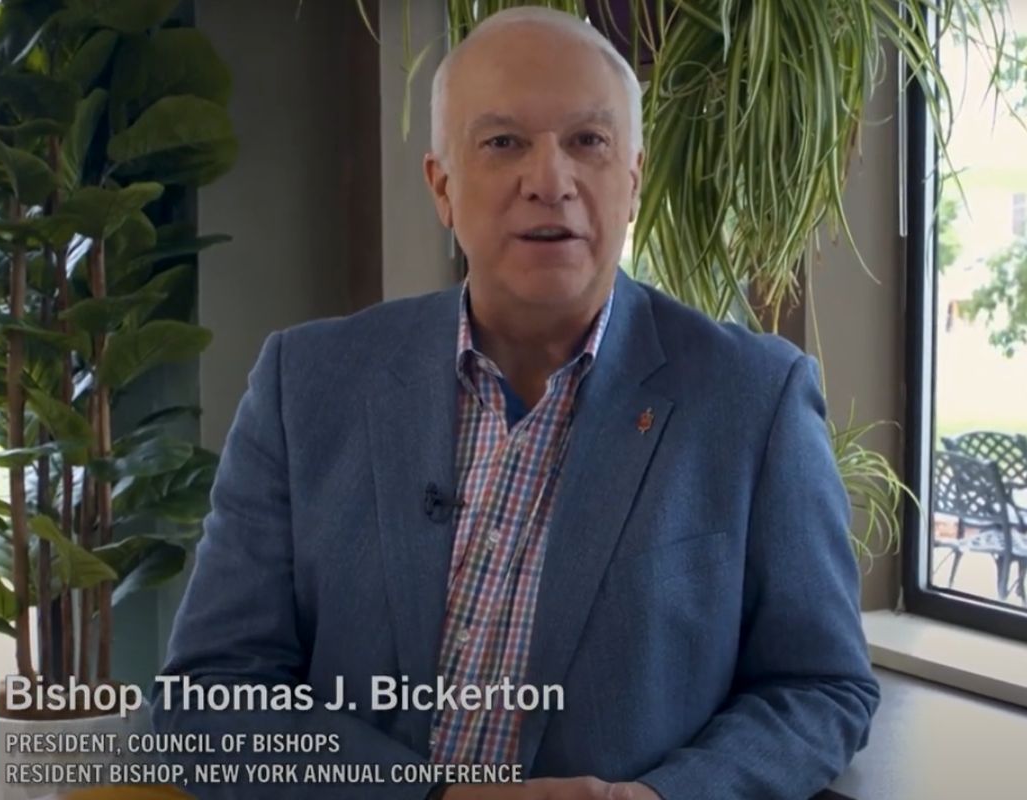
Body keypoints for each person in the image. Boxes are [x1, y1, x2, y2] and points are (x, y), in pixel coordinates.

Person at [153, 7, 879, 800]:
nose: (551, 181)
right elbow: (211, 695)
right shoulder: (309, 381)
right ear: (442, 186)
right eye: (503, 143)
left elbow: (819, 688)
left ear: (631, 182)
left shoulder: (752, 400)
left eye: (588, 143)